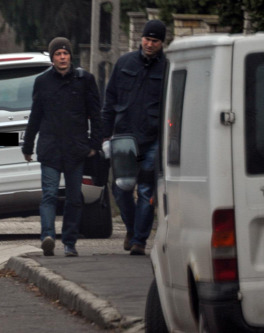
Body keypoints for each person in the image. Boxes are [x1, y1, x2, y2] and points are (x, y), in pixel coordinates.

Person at [22, 37, 102, 257]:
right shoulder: (42, 82)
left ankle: (69, 242)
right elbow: (35, 116)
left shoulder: (85, 80)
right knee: (49, 195)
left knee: (75, 197)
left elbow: (96, 114)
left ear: (70, 56)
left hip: (76, 149)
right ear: (52, 58)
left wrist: (95, 143)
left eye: (65, 53)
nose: (62, 57)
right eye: (58, 54)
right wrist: (27, 146)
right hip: (50, 149)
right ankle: (47, 236)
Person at [101, 20, 167, 256]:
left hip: (153, 138)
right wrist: (105, 136)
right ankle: (131, 228)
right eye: (147, 39)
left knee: (147, 189)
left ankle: (139, 240)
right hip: (124, 138)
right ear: (141, 39)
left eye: (155, 41)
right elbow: (109, 101)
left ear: (162, 43)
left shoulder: (167, 68)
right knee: (122, 189)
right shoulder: (124, 63)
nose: (149, 44)